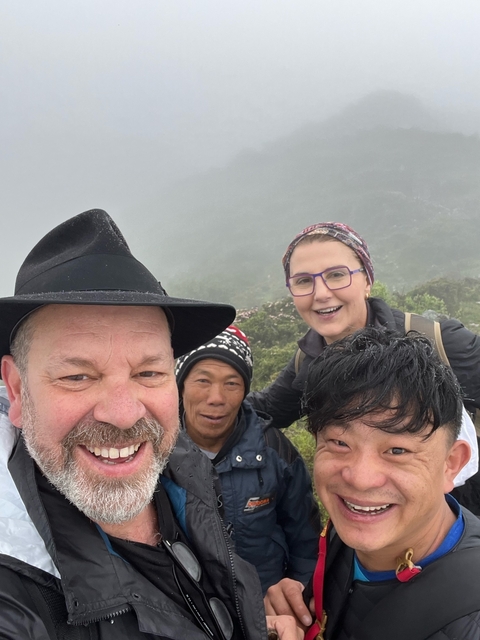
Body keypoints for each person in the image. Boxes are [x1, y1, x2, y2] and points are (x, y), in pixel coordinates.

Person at [0, 209, 302, 640]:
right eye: (77, 376)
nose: (124, 414)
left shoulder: (184, 470)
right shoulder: (17, 595)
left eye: (148, 373)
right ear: (17, 390)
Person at [248, 221, 480, 511]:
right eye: (303, 281)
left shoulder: (437, 341)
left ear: (367, 281)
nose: (320, 293)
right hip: (369, 519)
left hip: (462, 520)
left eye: (336, 275)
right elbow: (267, 409)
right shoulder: (308, 361)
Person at [265, 328, 480, 640]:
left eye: (397, 450)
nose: (360, 479)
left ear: (451, 464)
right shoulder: (347, 533)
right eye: (339, 442)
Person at [175, 325, 321, 594]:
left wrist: (298, 593)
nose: (216, 398)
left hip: (265, 604)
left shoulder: (274, 450)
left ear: (244, 391)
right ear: (181, 385)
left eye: (231, 383)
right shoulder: (156, 455)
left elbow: (306, 540)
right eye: (203, 381)